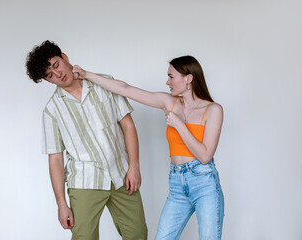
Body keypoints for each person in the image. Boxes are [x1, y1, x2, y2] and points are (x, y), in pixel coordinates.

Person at [73, 55, 224, 240]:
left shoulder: (213, 110)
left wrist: (179, 125)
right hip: (177, 184)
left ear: (188, 78)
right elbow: (125, 89)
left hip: (204, 183)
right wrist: (86, 75)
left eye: (171, 77)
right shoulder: (169, 102)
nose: (167, 82)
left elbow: (205, 155)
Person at [25, 40, 147, 240]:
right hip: (84, 181)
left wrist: (134, 166)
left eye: (56, 65)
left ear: (64, 57)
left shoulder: (104, 83)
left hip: (122, 175)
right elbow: (55, 159)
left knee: (138, 235)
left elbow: (128, 126)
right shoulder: (52, 111)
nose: (58, 74)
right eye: (50, 75)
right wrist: (61, 204)